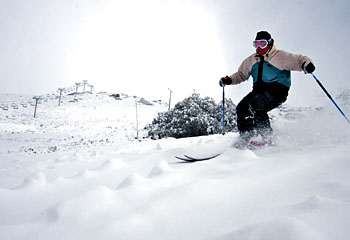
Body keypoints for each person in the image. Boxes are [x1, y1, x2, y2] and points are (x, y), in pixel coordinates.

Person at [219, 31, 315, 148]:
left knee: (256, 103)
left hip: (277, 90)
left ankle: (266, 137)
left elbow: (298, 60)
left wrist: (306, 64)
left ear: (269, 43)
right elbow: (241, 74)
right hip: (258, 91)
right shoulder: (251, 60)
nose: (259, 47)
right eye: (256, 44)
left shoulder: (280, 56)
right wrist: (228, 80)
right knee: (242, 107)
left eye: (262, 44)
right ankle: (246, 137)